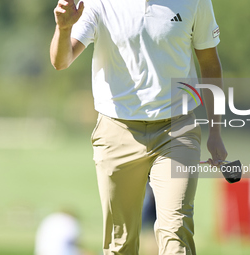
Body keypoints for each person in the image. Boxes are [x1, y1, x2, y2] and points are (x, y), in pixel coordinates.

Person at [50, 0, 227, 254]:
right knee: (119, 243)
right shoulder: (97, 3)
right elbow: (61, 61)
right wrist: (64, 29)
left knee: (176, 231)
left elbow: (210, 64)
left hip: (176, 130)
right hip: (116, 131)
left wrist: (216, 132)